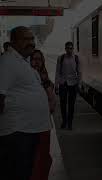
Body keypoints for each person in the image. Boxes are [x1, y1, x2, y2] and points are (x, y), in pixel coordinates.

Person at [0, 26, 51, 180]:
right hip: (17, 133)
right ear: (13, 42)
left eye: (32, 39)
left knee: (26, 171)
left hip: (27, 131)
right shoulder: (7, 61)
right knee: (17, 173)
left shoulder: (21, 61)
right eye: (26, 39)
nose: (31, 43)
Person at [29, 49, 56, 180]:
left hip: (43, 124)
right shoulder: (26, 78)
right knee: (34, 155)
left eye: (39, 59)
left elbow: (52, 101)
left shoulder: (45, 79)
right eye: (33, 59)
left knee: (43, 155)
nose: (36, 62)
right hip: (29, 124)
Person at [55, 41, 81, 130]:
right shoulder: (61, 58)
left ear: (72, 49)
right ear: (65, 49)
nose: (69, 50)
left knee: (71, 105)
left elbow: (79, 72)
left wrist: (79, 84)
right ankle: (64, 121)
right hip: (63, 83)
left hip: (73, 84)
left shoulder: (76, 58)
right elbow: (57, 72)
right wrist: (56, 85)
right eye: (68, 48)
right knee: (63, 104)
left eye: (71, 48)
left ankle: (70, 123)